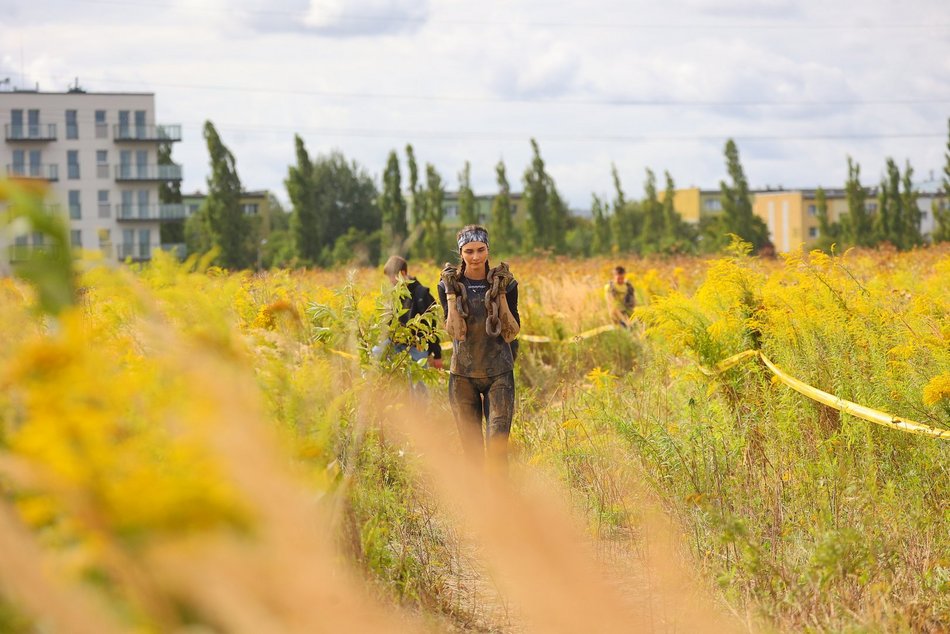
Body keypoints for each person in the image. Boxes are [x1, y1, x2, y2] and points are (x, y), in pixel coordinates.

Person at [438, 225, 519, 471]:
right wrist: (451, 293)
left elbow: (511, 332)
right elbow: (455, 332)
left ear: (488, 250)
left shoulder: (508, 283)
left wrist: (501, 292)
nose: (475, 257)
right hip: (463, 376)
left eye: (481, 250)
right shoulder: (447, 286)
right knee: (471, 450)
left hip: (499, 374)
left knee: (497, 448)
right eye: (469, 251)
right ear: (460, 252)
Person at [376, 255, 443, 370]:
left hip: (418, 347)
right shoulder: (393, 295)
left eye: (392, 276)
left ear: (402, 273)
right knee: (375, 355)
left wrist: (437, 355)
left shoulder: (422, 294)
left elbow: (432, 326)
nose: (390, 280)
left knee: (419, 384)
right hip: (396, 345)